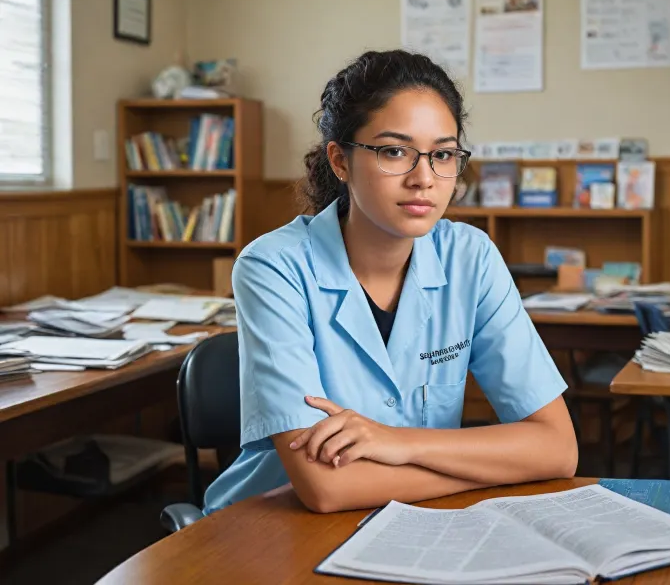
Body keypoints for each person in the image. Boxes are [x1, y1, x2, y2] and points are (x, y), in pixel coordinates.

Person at [203, 50, 577, 515]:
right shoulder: (274, 266)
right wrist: (483, 463)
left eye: (442, 154)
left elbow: (558, 450)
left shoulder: (470, 256)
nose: (424, 178)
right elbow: (326, 489)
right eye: (394, 151)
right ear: (340, 161)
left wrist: (399, 444)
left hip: (414, 527)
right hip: (273, 528)